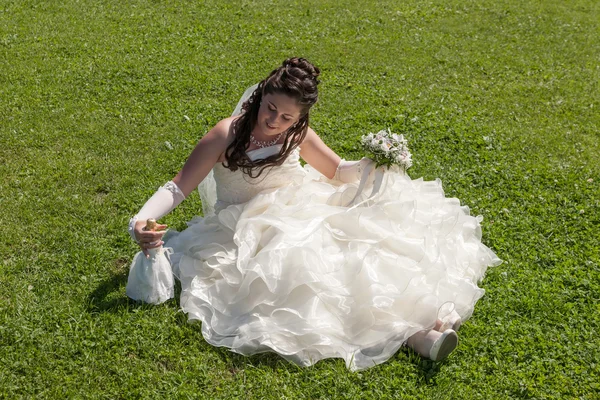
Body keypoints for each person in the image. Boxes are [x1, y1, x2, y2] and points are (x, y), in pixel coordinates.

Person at [127, 57, 501, 370]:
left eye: (287, 117)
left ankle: (424, 323)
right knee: (308, 268)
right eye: (270, 108)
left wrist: (375, 163)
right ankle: (417, 337)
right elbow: (178, 187)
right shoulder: (226, 134)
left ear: (300, 116)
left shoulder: (299, 131)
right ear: (260, 97)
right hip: (247, 223)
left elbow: (337, 171)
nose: (274, 121)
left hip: (304, 203)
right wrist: (140, 220)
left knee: (360, 249)